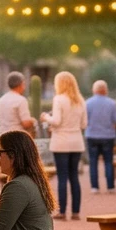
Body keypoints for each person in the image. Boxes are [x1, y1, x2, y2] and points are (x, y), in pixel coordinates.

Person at [41, 71, 87, 220]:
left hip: (61, 142)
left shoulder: (59, 99)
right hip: (76, 141)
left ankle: (62, 212)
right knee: (74, 176)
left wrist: (46, 117)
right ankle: (75, 212)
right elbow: (84, 124)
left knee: (62, 177)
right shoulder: (80, 100)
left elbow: (57, 121)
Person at [85, 80, 116, 194]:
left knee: (93, 161)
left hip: (92, 135)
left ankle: (95, 187)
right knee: (108, 161)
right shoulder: (112, 103)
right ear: (105, 90)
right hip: (108, 136)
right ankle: (110, 186)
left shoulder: (87, 103)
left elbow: (85, 121)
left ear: (94, 90)